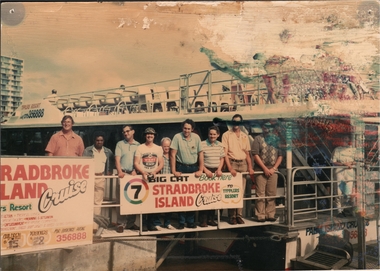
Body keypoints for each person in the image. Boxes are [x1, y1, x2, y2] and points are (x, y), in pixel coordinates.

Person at [170, 119, 204, 229]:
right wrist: (174, 171)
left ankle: (190, 221)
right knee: (181, 196)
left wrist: (201, 169)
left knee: (192, 196)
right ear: (182, 128)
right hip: (181, 167)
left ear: (192, 129)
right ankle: (181, 222)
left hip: (193, 167)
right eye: (185, 128)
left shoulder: (196, 138)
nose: (187, 130)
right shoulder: (177, 137)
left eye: (189, 128)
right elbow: (172, 154)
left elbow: (201, 154)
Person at [222, 114, 254, 225]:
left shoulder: (245, 136)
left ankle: (239, 215)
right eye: (234, 121)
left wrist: (250, 167)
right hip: (232, 163)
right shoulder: (226, 135)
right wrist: (230, 168)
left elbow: (247, 154)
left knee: (241, 192)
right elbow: (225, 154)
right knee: (232, 191)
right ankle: (232, 216)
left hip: (243, 164)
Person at [83, 131, 115, 232]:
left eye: (101, 140)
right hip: (89, 177)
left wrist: (109, 171)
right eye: (97, 140)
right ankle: (86, 224)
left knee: (98, 203)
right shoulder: (88, 150)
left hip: (100, 177)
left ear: (103, 141)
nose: (99, 142)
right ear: (94, 141)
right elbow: (83, 164)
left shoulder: (108, 151)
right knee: (87, 201)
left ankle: (94, 227)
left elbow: (111, 162)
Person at [252, 121, 283, 222]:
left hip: (273, 170)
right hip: (260, 170)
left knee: (271, 193)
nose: (267, 129)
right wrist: (264, 168)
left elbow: (280, 155)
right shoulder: (258, 139)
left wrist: (273, 168)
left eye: (270, 127)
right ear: (262, 127)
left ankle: (270, 214)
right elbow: (255, 154)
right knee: (260, 193)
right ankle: (260, 215)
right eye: (265, 127)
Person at [134, 127, 164, 231]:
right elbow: (136, 163)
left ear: (154, 136)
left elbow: (161, 163)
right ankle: (143, 225)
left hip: (153, 178)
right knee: (143, 201)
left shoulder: (158, 148)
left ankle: (151, 224)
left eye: (151, 134)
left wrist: (155, 171)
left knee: (152, 202)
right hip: (143, 177)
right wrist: (142, 172)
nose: (149, 136)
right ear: (145, 136)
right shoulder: (140, 147)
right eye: (147, 134)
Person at [115, 125, 140, 231]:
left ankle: (130, 223)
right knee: (121, 200)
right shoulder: (120, 144)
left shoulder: (138, 145)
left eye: (128, 131)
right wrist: (120, 172)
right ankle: (120, 224)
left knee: (133, 199)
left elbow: (139, 161)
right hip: (123, 174)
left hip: (133, 175)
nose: (126, 133)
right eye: (124, 132)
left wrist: (136, 170)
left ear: (133, 131)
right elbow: (117, 159)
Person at [199, 126, 225, 227]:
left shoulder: (220, 145)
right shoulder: (202, 144)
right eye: (210, 134)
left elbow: (222, 158)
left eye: (214, 134)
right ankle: (203, 220)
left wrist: (219, 169)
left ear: (218, 135)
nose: (212, 136)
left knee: (214, 197)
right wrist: (205, 170)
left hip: (216, 172)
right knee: (204, 197)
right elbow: (200, 159)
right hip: (206, 172)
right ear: (208, 134)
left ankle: (211, 219)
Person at [331, 134, 356, 217]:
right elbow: (333, 161)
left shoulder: (353, 150)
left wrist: (351, 164)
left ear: (348, 139)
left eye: (346, 138)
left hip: (349, 171)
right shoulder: (337, 149)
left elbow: (357, 161)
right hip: (339, 171)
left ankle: (345, 209)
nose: (345, 139)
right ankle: (339, 211)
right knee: (338, 192)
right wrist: (343, 164)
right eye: (343, 138)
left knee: (348, 192)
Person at [160, 137, 175, 229]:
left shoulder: (173, 156)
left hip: (170, 184)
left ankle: (167, 223)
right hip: (160, 183)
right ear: (161, 146)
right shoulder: (159, 155)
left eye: (168, 146)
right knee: (158, 204)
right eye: (164, 146)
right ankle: (157, 223)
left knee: (170, 204)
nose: (166, 148)